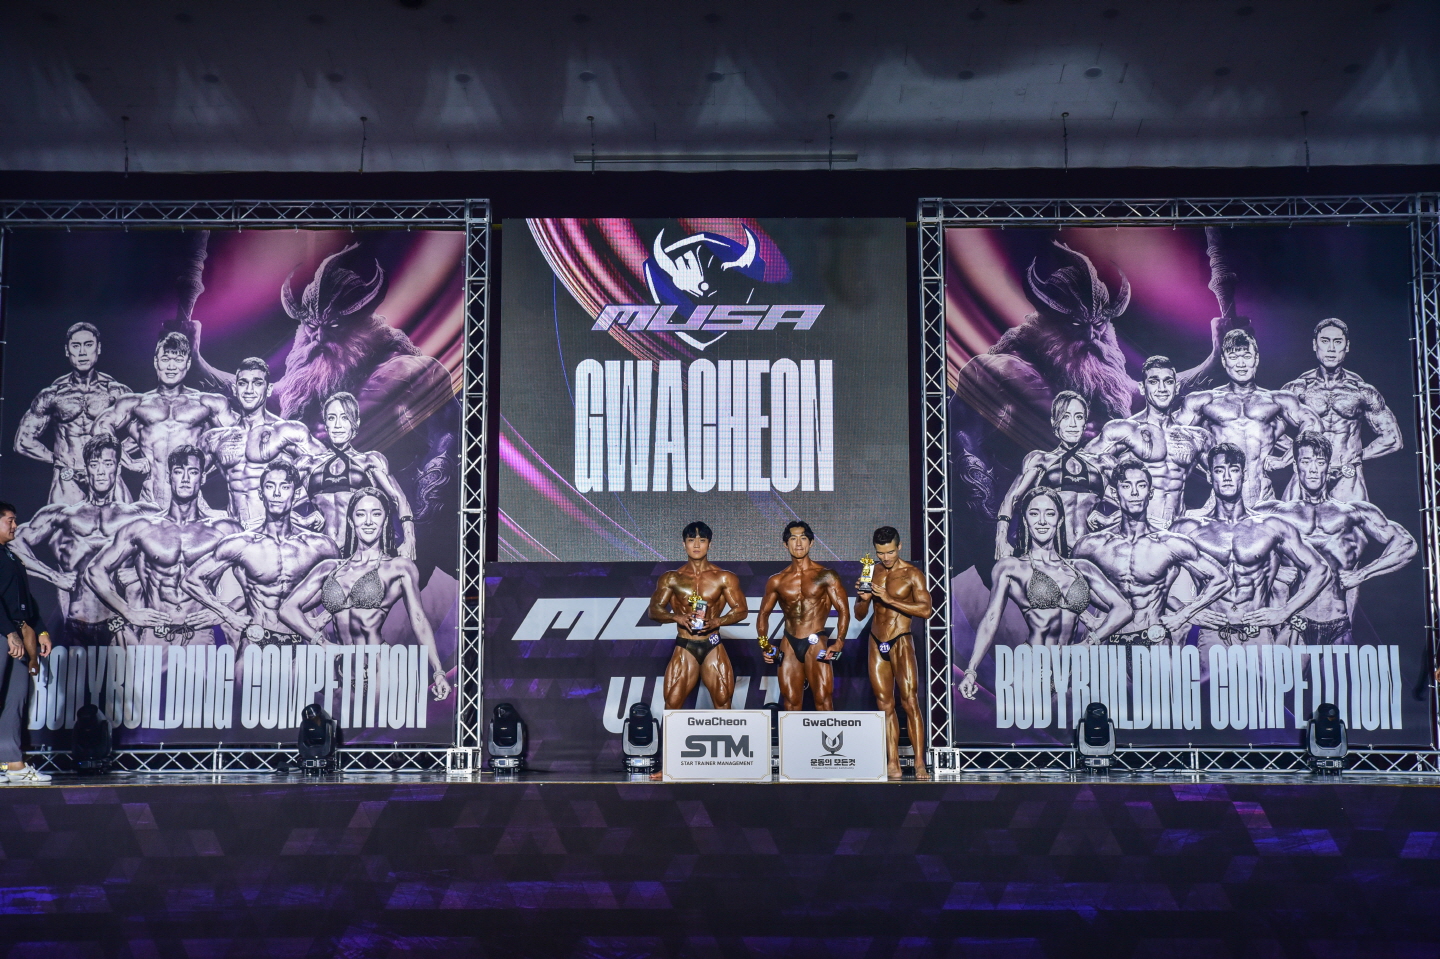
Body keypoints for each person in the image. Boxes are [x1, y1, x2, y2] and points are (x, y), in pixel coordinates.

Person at [960, 488, 1133, 700]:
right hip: (1034, 668)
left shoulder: (1082, 568)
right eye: (1034, 513)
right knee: (1032, 721)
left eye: (1050, 514)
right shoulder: (1011, 567)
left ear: (1059, 520)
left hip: (1073, 671)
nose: (1042, 521)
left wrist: (1090, 642)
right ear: (1025, 520)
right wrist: (971, 671)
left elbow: (1124, 609)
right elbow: (991, 619)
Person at [278, 487, 451, 698]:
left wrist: (438, 671)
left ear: (385, 520)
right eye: (361, 514)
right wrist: (321, 642)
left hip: (381, 668)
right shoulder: (329, 568)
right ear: (351, 521)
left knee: (379, 721)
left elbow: (418, 619)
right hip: (342, 672)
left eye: (376, 514)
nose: (368, 521)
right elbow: (287, 609)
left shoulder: (399, 567)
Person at [1170, 444, 1330, 669]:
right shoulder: (1188, 528)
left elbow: (1320, 570)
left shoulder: (1271, 526)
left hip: (1257, 634)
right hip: (1212, 634)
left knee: (1263, 692)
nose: (1227, 477)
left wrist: (1285, 611)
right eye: (1219, 470)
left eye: (1234, 469)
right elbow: (1152, 578)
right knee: (1214, 692)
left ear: (1243, 475)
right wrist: (1185, 612)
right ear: (1209, 476)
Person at [1256, 432, 1416, 644]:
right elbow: (1229, 544)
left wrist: (1363, 574)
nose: (1313, 469)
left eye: (1320, 462)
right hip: (1295, 622)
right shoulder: (1275, 513)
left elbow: (1406, 544)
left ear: (1328, 466)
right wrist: (1273, 571)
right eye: (1306, 461)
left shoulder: (1353, 513)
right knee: (1282, 666)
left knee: (1341, 666)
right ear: (1295, 466)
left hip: (1337, 622)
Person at [85, 446, 242, 646]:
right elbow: (94, 571)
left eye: (193, 472)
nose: (185, 479)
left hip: (200, 634)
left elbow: (260, 580)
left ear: (202, 478)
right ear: (169, 477)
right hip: (156, 634)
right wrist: (128, 611)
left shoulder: (224, 529)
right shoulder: (143, 528)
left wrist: (225, 612)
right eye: (178, 472)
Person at [9, 435, 157, 644]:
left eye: (108, 463)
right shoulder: (63, 515)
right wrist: (53, 576)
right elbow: (13, 543)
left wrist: (139, 573)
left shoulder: (137, 515)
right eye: (94, 464)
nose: (101, 471)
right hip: (77, 622)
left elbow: (182, 544)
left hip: (118, 623)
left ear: (118, 468)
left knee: (128, 665)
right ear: (86, 469)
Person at [1072, 461, 1231, 648]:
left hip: (1154, 643)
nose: (1134, 493)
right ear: (1115, 493)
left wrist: (1184, 614)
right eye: (1126, 486)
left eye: (1141, 485)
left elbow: (1221, 579)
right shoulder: (1091, 545)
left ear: (1150, 492)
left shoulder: (1169, 543)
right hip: (1110, 645)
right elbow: (1063, 583)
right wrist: (1087, 618)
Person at [182, 462, 338, 650]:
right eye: (270, 486)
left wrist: (323, 618)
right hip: (256, 643)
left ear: (296, 494)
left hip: (300, 643)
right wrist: (227, 614)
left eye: (284, 487)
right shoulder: (242, 544)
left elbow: (347, 584)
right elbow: (191, 580)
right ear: (261, 493)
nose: (277, 494)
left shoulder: (320, 545)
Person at [93, 332, 236, 511]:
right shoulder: (137, 404)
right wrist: (128, 462)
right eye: (165, 359)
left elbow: (239, 434)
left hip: (191, 504)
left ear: (188, 363)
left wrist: (206, 464)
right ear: (156, 362)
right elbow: (100, 426)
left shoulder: (206, 403)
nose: (171, 366)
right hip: (150, 502)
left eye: (178, 360)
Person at [1176, 329, 1321, 506]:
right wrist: (1206, 463)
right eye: (1233, 357)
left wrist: (1284, 460)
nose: (1241, 364)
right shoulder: (1205, 402)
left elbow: (1313, 424)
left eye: (1246, 356)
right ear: (1224, 361)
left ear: (1256, 359)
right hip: (1221, 502)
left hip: (1263, 500)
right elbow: (1173, 434)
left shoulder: (1276, 401)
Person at [1085, 356, 1213, 530]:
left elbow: (1225, 475)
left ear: (1176, 388)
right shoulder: (1124, 430)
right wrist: (1119, 507)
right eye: (1154, 381)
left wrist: (1204, 512)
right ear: (1142, 388)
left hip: (1176, 531)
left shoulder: (1194, 437)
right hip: (1137, 529)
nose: (1162, 388)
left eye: (1168, 382)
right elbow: (1083, 466)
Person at [1282, 318, 1402, 502]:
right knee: (1289, 520)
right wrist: (1298, 453)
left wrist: (1356, 457)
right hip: (1307, 473)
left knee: (1355, 520)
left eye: (1337, 342)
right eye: (1325, 341)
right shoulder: (1298, 389)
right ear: (1315, 345)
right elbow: (1268, 431)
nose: (1331, 348)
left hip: (1347, 475)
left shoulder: (1361, 391)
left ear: (1347, 346)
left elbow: (1393, 439)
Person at [13, 323, 133, 505]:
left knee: (125, 522)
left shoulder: (115, 392)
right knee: (61, 523)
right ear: (67, 350)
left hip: (106, 475)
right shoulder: (53, 394)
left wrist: (116, 456)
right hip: (68, 478)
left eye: (88, 344)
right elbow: (23, 441)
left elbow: (143, 433)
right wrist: (60, 461)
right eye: (76, 346)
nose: (82, 352)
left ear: (99, 348)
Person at [201, 357, 325, 527]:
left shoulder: (287, 432)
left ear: (268, 389)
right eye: (243, 383)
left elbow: (327, 467)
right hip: (236, 532)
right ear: (235, 389)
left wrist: (293, 508)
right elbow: (186, 476)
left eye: (257, 383)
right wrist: (209, 513)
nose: (249, 390)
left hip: (275, 531)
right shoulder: (218, 438)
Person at [853, 526, 933, 780]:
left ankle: (919, 763)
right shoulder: (871, 571)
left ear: (899, 546)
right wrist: (864, 599)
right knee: (884, 704)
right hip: (876, 641)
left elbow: (926, 610)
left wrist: (889, 599)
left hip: (901, 639)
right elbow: (859, 615)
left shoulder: (912, 574)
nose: (885, 558)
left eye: (889, 552)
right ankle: (893, 762)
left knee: (909, 702)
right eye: (880, 553)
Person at [647, 521, 748, 712]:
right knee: (672, 704)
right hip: (685, 644)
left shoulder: (724, 577)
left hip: (713, 644)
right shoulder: (671, 578)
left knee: (723, 702)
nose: (696, 545)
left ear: (709, 544)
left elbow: (741, 610)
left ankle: (724, 734)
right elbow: (653, 610)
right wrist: (677, 617)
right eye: (691, 540)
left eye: (701, 540)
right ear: (684, 544)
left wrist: (717, 621)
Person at [995, 391, 1108, 560]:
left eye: (1078, 417)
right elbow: (1011, 498)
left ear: (1085, 423)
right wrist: (1001, 538)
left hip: (1089, 555)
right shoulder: (1040, 460)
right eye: (1065, 417)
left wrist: (1109, 519)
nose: (1072, 424)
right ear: (1055, 421)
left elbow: (1134, 499)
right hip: (1051, 555)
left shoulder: (1101, 463)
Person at [305, 392, 416, 560]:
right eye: (332, 418)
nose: (337, 425)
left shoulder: (370, 461)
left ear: (355, 423)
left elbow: (399, 498)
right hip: (322, 556)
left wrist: (409, 538)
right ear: (326, 424)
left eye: (344, 418)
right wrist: (302, 520)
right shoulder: (309, 465)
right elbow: (278, 501)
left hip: (360, 556)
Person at [757, 521, 849, 711]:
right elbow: (763, 614)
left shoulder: (826, 575)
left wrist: (839, 641)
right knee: (790, 702)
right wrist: (765, 645)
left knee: (823, 700)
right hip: (789, 643)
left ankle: (826, 732)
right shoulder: (777, 580)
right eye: (793, 538)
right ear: (785, 544)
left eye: (803, 538)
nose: (798, 543)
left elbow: (843, 610)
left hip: (816, 640)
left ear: (811, 542)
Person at [0, 502, 53, 784]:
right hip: (3, 633)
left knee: (16, 698)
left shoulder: (10, 556)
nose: (15, 525)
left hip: (17, 635)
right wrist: (8, 632)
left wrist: (41, 631)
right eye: (9, 520)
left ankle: (13, 764)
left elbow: (25, 600)